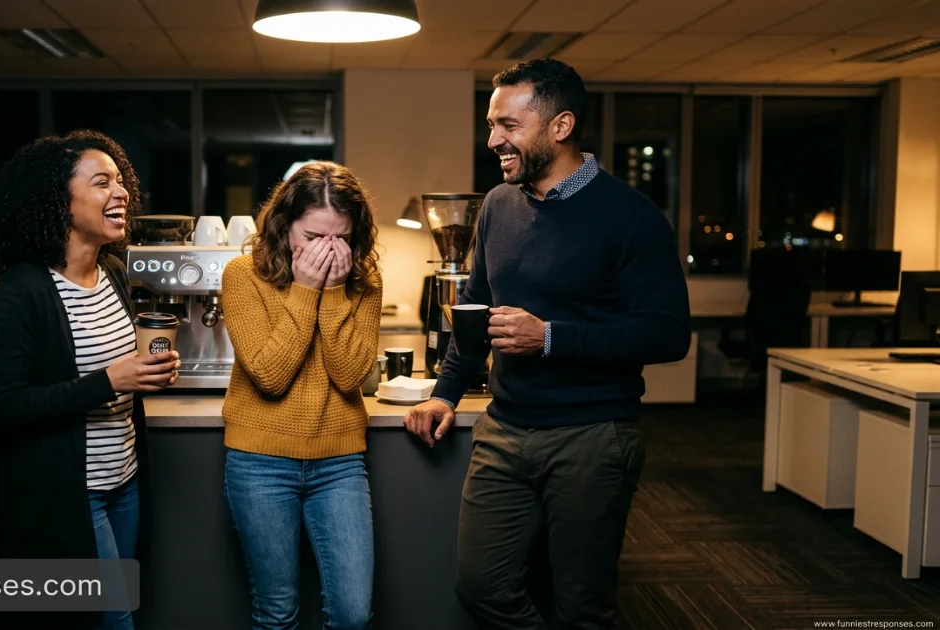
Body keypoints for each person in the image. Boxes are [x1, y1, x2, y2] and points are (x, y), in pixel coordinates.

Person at [404, 59, 691, 629]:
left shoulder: (630, 216)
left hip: (593, 436)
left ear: (560, 127)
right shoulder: (498, 205)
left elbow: (668, 334)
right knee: (480, 586)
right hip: (506, 430)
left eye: (509, 126)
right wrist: (445, 395)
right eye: (492, 125)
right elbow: (474, 315)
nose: (493, 140)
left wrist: (551, 337)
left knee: (583, 606)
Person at [0, 129, 180, 630]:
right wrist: (111, 380)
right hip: (69, 493)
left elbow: (116, 375)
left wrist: (146, 374)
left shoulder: (113, 272)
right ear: (60, 202)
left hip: (125, 481)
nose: (120, 194)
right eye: (100, 183)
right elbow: (3, 409)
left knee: (116, 610)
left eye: (120, 182)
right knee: (112, 620)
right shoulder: (21, 292)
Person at [220, 161, 383, 630]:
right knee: (277, 612)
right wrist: (306, 290)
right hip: (260, 462)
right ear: (284, 226)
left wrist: (331, 293)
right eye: (314, 238)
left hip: (339, 462)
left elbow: (349, 373)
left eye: (342, 237)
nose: (330, 250)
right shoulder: (243, 275)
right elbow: (271, 375)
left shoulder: (362, 281)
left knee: (352, 615)